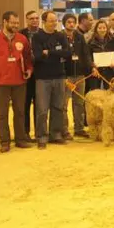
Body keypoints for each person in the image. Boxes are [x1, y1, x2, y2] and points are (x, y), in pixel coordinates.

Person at [0, 11, 34, 153]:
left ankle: (20, 139)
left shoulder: (22, 39)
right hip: (1, 83)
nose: (15, 25)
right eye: (13, 23)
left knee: (20, 111)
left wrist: (29, 69)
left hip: (19, 82)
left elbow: (28, 57)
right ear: (5, 22)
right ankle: (4, 141)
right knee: (2, 113)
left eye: (17, 23)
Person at [33, 11, 71, 148]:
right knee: (42, 110)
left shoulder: (61, 36)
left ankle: (56, 134)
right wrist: (56, 53)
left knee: (58, 107)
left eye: (55, 21)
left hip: (59, 76)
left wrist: (49, 52)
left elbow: (67, 53)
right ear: (44, 21)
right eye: (51, 21)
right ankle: (42, 137)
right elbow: (37, 56)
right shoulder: (37, 37)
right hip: (42, 78)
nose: (54, 23)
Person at [62, 14, 91, 139]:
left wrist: (91, 67)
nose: (71, 24)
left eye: (73, 22)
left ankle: (79, 128)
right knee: (63, 104)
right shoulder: (59, 36)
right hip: (66, 76)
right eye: (68, 22)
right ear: (64, 23)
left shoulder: (79, 37)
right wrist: (62, 75)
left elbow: (86, 54)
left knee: (79, 103)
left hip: (80, 75)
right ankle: (64, 130)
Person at [20, 10, 40, 140]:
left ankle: (39, 133)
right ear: (27, 20)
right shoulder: (20, 34)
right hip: (25, 75)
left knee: (40, 106)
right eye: (31, 18)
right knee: (25, 105)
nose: (34, 20)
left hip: (40, 74)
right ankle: (25, 132)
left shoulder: (43, 34)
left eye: (36, 18)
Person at [88, 20, 114, 91]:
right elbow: (88, 57)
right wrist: (92, 67)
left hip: (109, 71)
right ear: (96, 29)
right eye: (100, 28)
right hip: (96, 72)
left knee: (110, 92)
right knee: (95, 92)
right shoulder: (91, 42)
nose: (102, 30)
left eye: (104, 28)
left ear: (107, 29)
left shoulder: (113, 40)